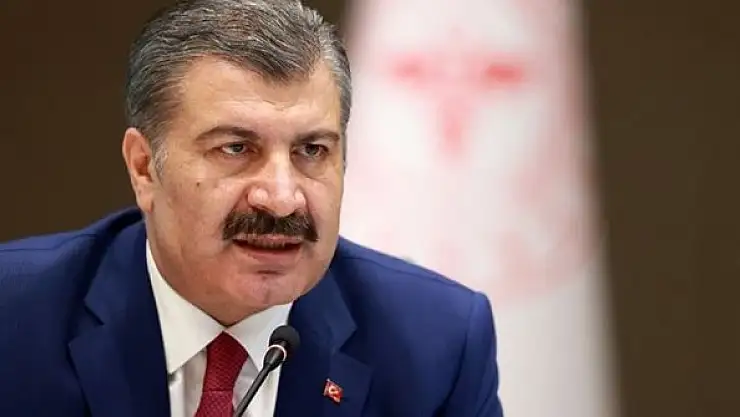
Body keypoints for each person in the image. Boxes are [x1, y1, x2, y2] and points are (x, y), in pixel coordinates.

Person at [0, 0, 503, 416]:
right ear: (144, 167)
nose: (282, 198)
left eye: (312, 150)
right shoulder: (15, 316)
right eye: (236, 149)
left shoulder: (436, 344)